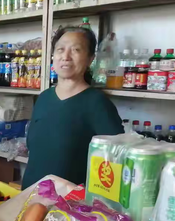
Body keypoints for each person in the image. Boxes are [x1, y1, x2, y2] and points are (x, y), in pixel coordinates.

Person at [22, 26, 123, 189]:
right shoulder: (44, 98)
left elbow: (116, 161)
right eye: (60, 49)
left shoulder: (97, 103)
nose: (66, 57)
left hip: (70, 207)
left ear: (90, 58)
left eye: (76, 50)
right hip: (30, 197)